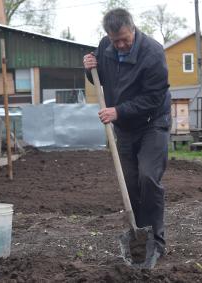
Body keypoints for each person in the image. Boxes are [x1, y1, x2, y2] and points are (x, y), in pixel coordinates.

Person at [83, 8, 171, 258]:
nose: (120, 44)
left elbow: (154, 98)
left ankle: (156, 240)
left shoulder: (152, 53)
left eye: (124, 38)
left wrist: (118, 111)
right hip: (125, 128)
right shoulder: (105, 46)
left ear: (133, 29)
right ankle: (139, 235)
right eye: (115, 40)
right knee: (130, 183)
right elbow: (98, 79)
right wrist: (88, 68)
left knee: (148, 178)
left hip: (153, 122)